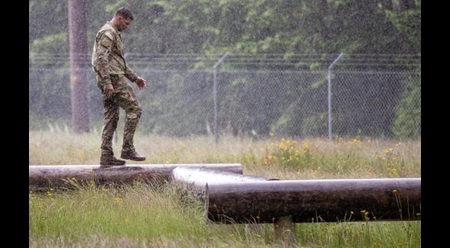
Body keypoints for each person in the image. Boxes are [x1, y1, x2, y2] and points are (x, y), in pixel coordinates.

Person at [91, 7, 147, 167]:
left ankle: (106, 156)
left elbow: (118, 62)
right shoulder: (109, 32)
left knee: (111, 116)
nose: (127, 27)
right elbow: (100, 58)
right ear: (120, 18)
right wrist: (108, 82)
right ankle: (128, 148)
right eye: (126, 23)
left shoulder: (113, 32)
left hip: (109, 78)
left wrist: (135, 78)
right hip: (113, 79)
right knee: (135, 109)